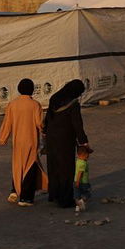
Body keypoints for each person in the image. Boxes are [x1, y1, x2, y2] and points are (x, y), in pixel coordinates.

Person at [43, 79, 89, 209]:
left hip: (52, 138)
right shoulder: (73, 104)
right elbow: (77, 124)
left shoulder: (54, 98)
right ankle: (64, 199)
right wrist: (83, 141)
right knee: (66, 169)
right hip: (65, 140)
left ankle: (54, 194)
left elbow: (48, 118)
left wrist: (45, 132)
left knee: (54, 166)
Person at [0, 78, 44, 206]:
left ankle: (14, 190)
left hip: (17, 141)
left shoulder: (13, 104)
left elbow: (7, 123)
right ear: (32, 90)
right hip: (31, 141)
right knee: (30, 167)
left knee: (18, 166)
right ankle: (26, 198)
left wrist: (3, 138)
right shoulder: (35, 105)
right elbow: (39, 124)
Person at [74, 144, 94, 211]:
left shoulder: (78, 161)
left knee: (77, 195)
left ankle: (77, 207)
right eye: (87, 155)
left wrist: (76, 181)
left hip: (75, 181)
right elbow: (80, 173)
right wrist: (78, 181)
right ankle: (82, 201)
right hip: (83, 182)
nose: (88, 157)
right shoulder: (83, 163)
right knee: (87, 193)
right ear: (83, 155)